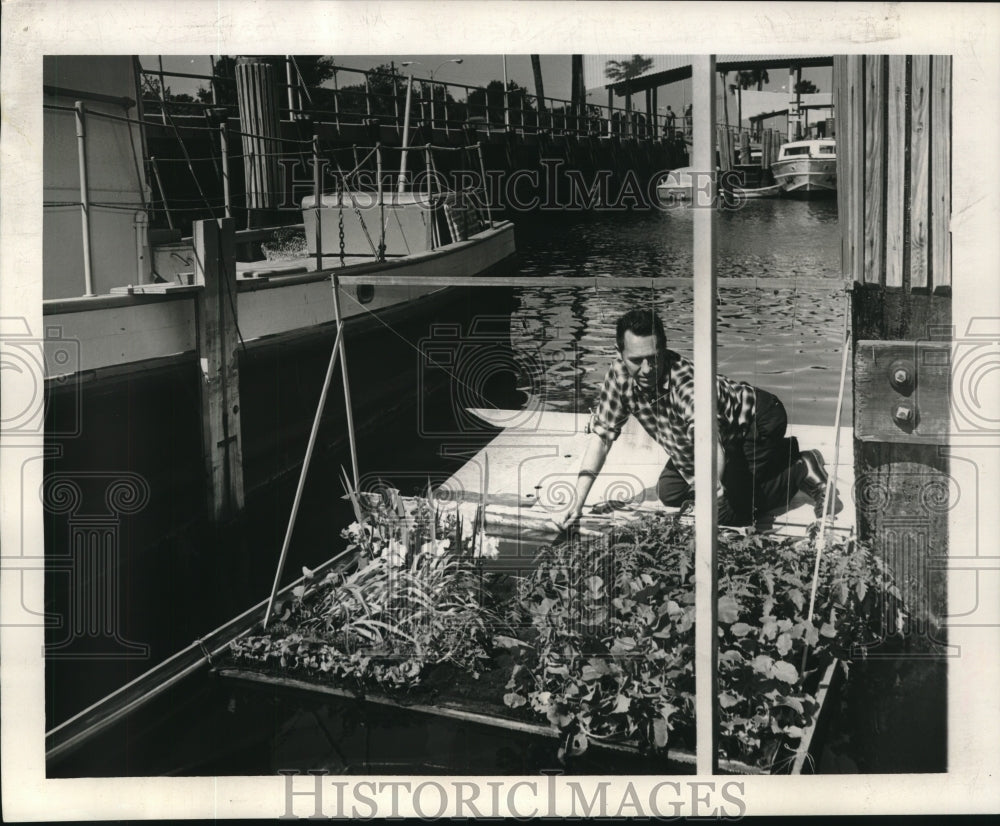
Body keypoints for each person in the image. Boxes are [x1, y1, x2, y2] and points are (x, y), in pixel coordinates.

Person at [552, 308, 831, 529]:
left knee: (725, 511)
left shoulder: (687, 384)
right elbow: (601, 438)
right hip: (706, 434)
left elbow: (708, 438)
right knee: (670, 492)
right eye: (636, 360)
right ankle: (775, 458)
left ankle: (800, 467)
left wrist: (711, 484)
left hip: (757, 421)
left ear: (664, 349)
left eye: (654, 357)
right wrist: (577, 502)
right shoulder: (618, 375)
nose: (647, 369)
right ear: (620, 354)